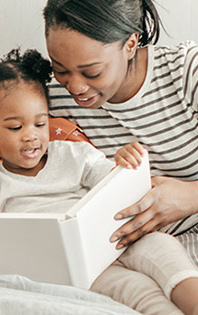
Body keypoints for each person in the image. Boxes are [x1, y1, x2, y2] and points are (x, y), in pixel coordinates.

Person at [0, 48, 198, 315]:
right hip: (77, 270)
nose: (31, 136)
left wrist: (122, 162)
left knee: (162, 248)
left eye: (40, 124)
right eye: (15, 128)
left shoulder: (71, 153)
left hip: (116, 239)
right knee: (134, 289)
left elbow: (112, 182)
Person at [43, 0, 198, 262]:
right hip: (134, 257)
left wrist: (191, 197)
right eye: (60, 69)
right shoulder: (51, 97)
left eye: (92, 72)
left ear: (130, 44)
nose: (75, 87)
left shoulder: (186, 70)